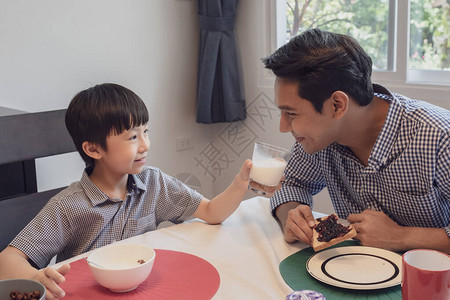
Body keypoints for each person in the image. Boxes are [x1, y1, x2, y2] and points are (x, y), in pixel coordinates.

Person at [0, 83, 253, 299]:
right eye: (132, 137)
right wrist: (36, 277)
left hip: (145, 290)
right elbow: (7, 261)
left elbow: (210, 212)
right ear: (94, 149)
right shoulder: (68, 206)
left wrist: (240, 184)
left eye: (145, 131)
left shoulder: (154, 183)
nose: (145, 145)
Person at [262, 28, 450, 254]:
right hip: (353, 274)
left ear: (337, 105)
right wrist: (291, 215)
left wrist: (401, 237)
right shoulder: (320, 140)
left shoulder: (438, 136)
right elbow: (294, 184)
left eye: (291, 114)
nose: (283, 127)